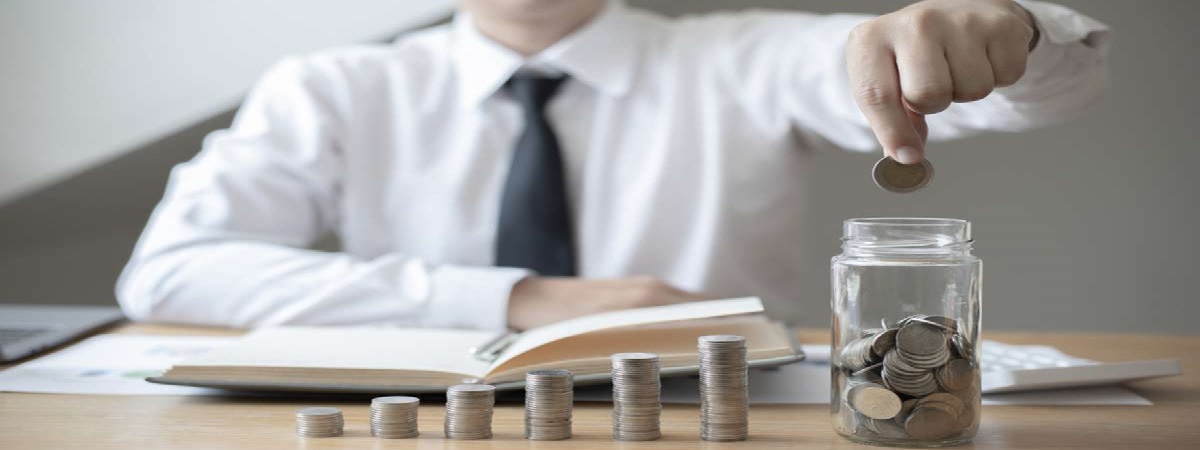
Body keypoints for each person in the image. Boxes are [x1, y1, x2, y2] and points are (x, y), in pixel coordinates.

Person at [117, 0, 1109, 331]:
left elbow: (1039, 97)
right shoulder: (330, 85)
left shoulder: (738, 58)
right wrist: (523, 300)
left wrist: (1018, 28)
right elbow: (170, 272)